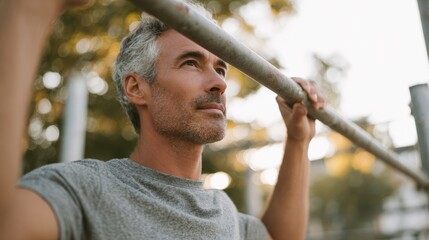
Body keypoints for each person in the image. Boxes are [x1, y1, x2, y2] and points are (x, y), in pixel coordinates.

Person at [0, 0, 325, 239]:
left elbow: (277, 236)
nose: (220, 83)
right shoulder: (88, 188)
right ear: (137, 88)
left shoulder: (223, 211)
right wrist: (29, 9)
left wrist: (298, 140)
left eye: (220, 68)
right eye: (190, 63)